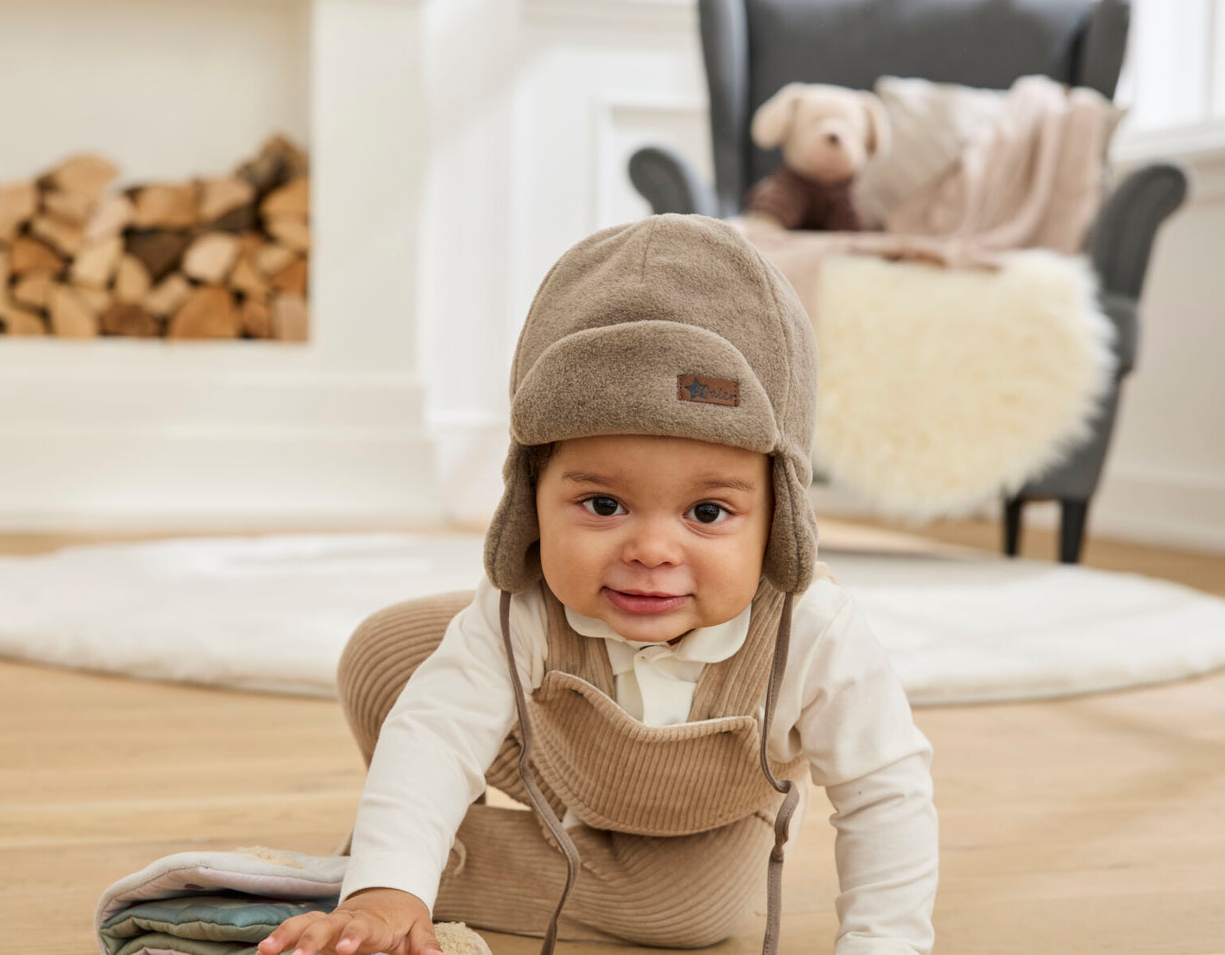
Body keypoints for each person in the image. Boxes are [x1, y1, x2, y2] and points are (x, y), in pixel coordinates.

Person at [258, 214, 938, 955]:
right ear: (530, 499)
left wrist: (882, 945)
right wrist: (388, 888)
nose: (649, 549)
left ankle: (416, 863)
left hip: (698, 821)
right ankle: (395, 873)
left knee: (688, 916)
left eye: (707, 512)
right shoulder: (520, 608)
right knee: (391, 651)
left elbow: (886, 793)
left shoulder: (814, 632)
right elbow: (435, 730)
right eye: (602, 505)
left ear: (780, 519)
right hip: (560, 763)